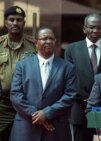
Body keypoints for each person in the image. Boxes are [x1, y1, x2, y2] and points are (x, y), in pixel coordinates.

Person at [9, 27, 77, 141]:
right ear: (36, 42)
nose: (48, 41)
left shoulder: (67, 67)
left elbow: (70, 95)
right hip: (26, 128)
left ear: (55, 42)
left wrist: (47, 113)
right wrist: (37, 115)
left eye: (51, 39)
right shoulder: (22, 66)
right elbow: (15, 94)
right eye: (44, 38)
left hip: (56, 130)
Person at [64, 13, 101, 141]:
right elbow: (69, 79)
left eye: (99, 28)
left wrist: (100, 101)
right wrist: (88, 101)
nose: (95, 31)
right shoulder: (72, 49)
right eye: (91, 27)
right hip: (80, 110)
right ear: (84, 29)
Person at [0, 5, 36, 141]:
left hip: (26, 104)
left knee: (25, 137)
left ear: (24, 23)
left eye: (19, 20)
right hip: (3, 104)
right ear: (5, 22)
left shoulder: (34, 46)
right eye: (11, 19)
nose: (15, 23)